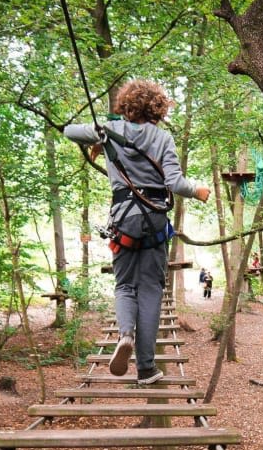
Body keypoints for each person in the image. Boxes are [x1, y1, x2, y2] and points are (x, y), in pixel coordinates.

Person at [64, 80, 210, 384]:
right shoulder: (163, 138)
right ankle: (146, 368)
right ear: (157, 107)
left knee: (125, 286)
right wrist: (198, 190)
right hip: (155, 221)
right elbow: (176, 184)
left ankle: (125, 334)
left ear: (125, 105)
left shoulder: (109, 131)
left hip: (124, 220)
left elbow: (68, 130)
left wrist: (100, 133)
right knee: (152, 290)